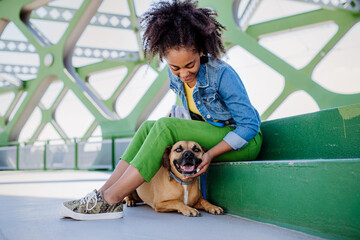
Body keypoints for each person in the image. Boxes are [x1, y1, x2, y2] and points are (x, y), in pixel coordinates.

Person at [60, 0, 262, 221]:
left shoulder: (221, 74)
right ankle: (102, 194)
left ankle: (112, 199)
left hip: (243, 142)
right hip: (210, 135)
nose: (183, 74)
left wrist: (210, 153)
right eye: (175, 67)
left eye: (190, 65)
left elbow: (249, 126)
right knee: (149, 126)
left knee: (164, 125)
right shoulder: (174, 76)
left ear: (201, 51)